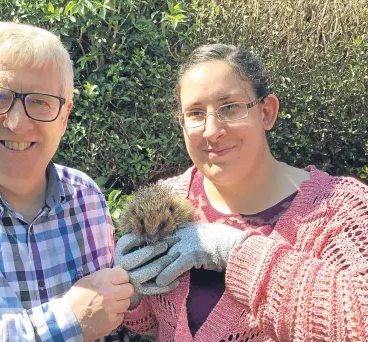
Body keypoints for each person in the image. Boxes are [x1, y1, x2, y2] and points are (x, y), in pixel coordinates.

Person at [115, 43, 368, 341]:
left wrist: (233, 251)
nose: (211, 130)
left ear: (266, 112)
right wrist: (128, 294)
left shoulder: (343, 207)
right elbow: (151, 323)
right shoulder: (165, 198)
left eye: (230, 107)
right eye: (195, 113)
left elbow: (357, 324)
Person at [0, 22, 134, 341]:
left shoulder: (86, 198)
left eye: (40, 101)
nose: (17, 123)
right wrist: (66, 321)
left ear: (64, 116)